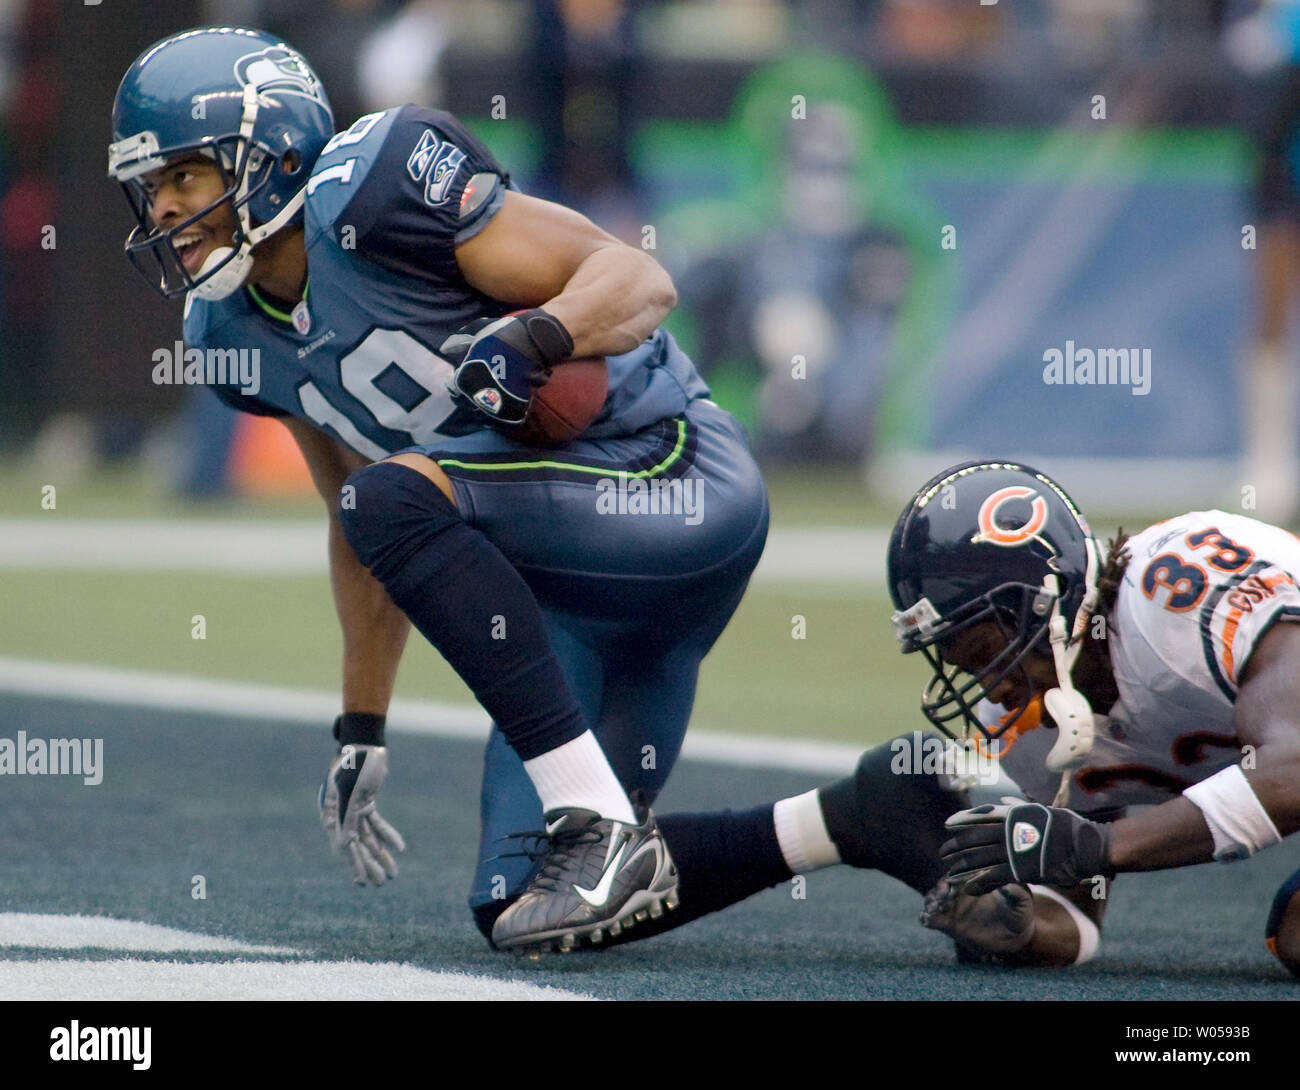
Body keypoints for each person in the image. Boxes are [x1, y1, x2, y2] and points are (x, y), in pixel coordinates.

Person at [108, 25, 770, 952]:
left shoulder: (377, 189)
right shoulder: (230, 333)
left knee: (396, 497)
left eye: (185, 175)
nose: (166, 210)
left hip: (670, 478)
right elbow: (354, 518)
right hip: (568, 599)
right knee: (523, 912)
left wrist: (539, 337)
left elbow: (636, 278)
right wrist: (361, 725)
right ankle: (852, 822)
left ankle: (600, 822)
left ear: (271, 150)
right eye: (152, 188)